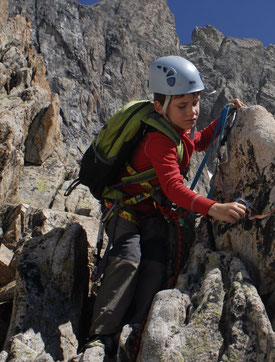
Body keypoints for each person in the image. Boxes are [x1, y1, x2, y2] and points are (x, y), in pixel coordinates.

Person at [85, 55, 246, 355]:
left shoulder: (178, 131)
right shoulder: (158, 140)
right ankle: (101, 336)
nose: (192, 111)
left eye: (196, 102)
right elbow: (173, 188)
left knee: (157, 264)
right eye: (183, 106)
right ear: (160, 107)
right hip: (125, 210)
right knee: (129, 258)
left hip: (151, 211)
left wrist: (221, 117)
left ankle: (136, 328)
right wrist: (213, 208)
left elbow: (195, 142)